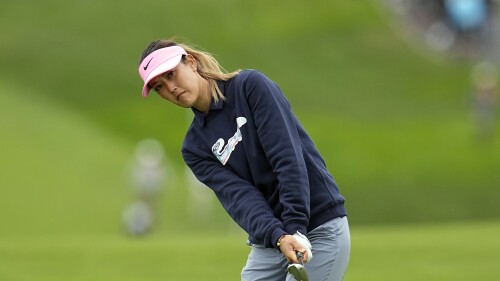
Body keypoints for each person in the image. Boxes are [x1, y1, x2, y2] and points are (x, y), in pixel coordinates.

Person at [137, 38, 351, 281]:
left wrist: (295, 229)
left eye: (172, 74)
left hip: (317, 227)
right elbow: (241, 198)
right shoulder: (194, 148)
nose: (170, 88)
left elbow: (287, 158)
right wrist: (279, 237)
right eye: (158, 87)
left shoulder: (250, 88)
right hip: (271, 243)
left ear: (192, 62)